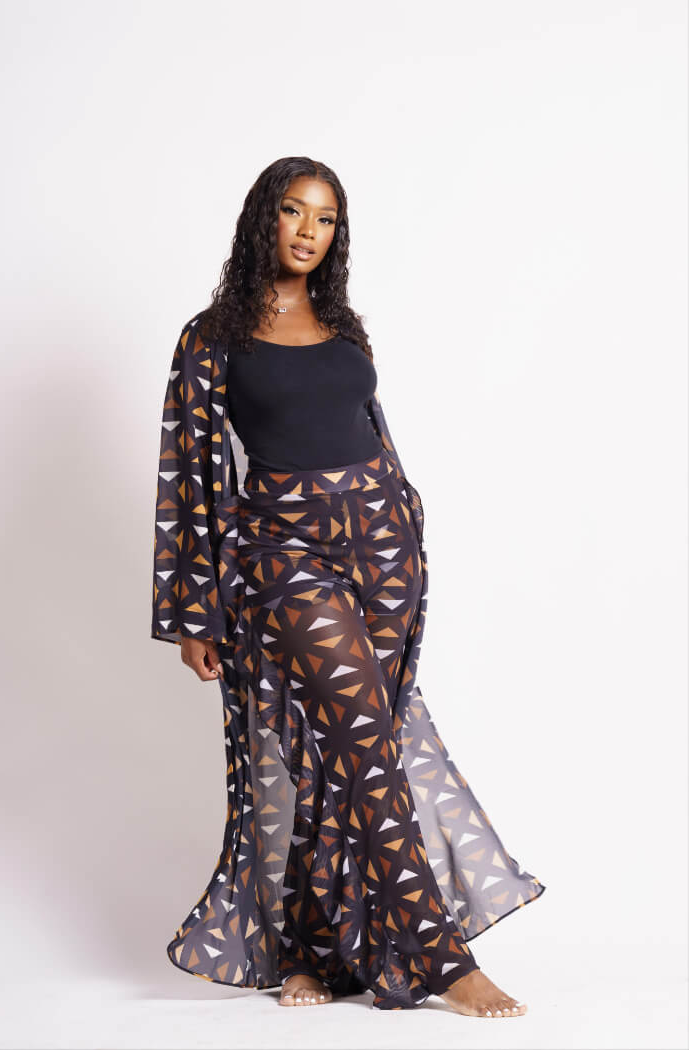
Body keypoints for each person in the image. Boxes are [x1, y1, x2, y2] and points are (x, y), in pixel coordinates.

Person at [151, 156, 545, 1017]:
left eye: (325, 218)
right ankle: (443, 957)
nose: (308, 231)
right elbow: (189, 472)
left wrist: (408, 517)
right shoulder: (211, 335)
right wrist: (193, 612)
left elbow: (373, 431)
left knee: (345, 753)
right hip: (281, 551)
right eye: (293, 212)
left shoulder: (344, 327)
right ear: (264, 218)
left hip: (383, 548)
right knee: (361, 742)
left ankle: (312, 953)